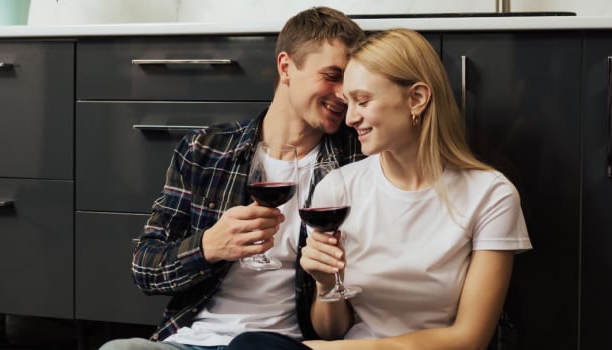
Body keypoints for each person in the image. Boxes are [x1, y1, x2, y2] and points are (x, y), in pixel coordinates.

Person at [228, 28, 532, 350]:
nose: (350, 119)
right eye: (349, 103)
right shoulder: (339, 186)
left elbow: (469, 339)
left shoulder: (490, 195)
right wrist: (326, 283)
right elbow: (331, 331)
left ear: (416, 98)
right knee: (251, 344)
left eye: (363, 101)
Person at [99, 7, 366, 350]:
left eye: (351, 82)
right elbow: (145, 268)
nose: (344, 94)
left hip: (282, 343)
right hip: (188, 340)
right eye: (332, 75)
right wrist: (209, 246)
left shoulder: (354, 162)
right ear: (286, 67)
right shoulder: (205, 149)